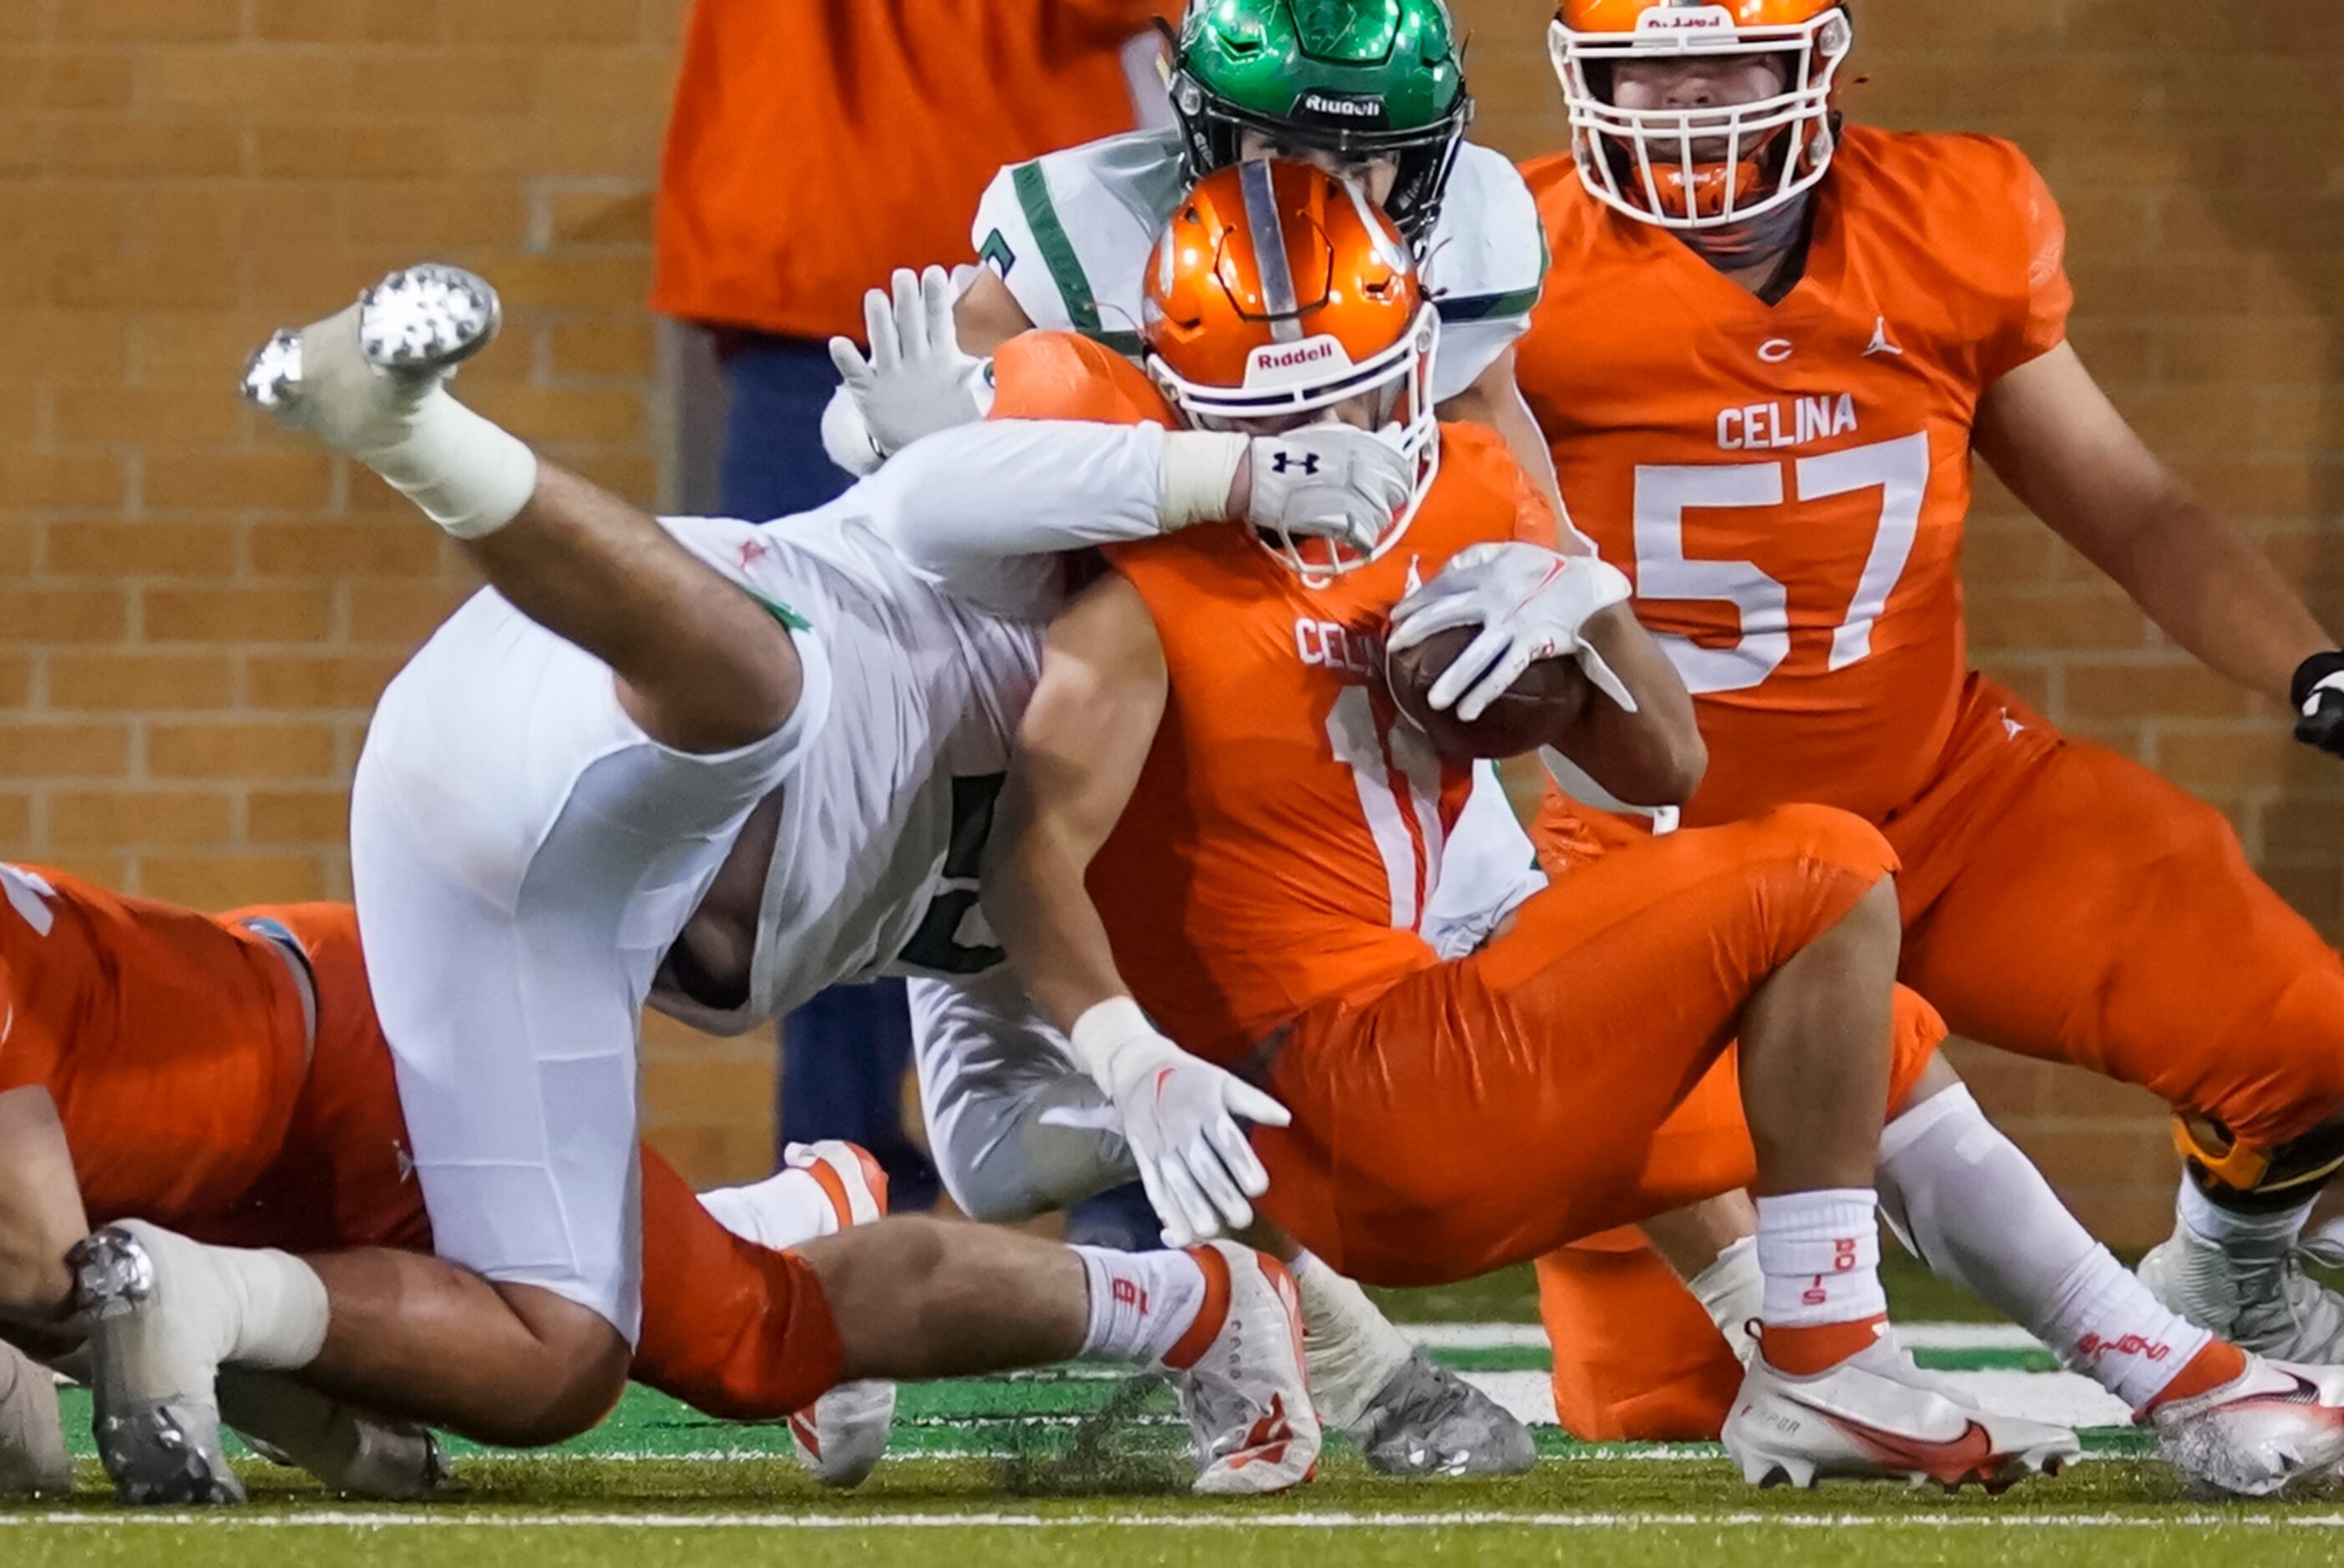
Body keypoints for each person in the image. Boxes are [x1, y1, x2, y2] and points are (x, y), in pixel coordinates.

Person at [976, 158, 2344, 1498]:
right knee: (1821, 867)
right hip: (1322, 1089)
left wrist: (1578, 610)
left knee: (1864, 1043)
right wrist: (1123, 1050)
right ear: (1176, 409)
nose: (1332, 443)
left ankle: (2178, 1372)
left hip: (1434, 1034)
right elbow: (1024, 845)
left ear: (1415, 348)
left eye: (1355, 389)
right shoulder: (1129, 583)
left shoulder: (1455, 478)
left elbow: (1663, 761)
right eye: (1280, 419)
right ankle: (1822, 1350)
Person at [51, 260, 1411, 1504]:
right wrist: (1240, 476)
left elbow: (990, 1148)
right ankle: (415, 433)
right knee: (768, 692)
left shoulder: (1094, 881)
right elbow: (961, 492)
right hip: (582, 684)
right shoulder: (1014, 551)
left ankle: (221, 1299)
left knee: (558, 1355)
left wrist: (1161, 1113)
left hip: (522, 877)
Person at [1511, 0, 2344, 1439]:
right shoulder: (1500, 263)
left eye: (1721, 60)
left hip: (1944, 795)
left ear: (1816, 65)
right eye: (1645, 61)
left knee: (2312, 1043)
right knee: (1658, 1400)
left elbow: (2132, 504)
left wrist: (2312, 669)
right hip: (1662, 858)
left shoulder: (1949, 218)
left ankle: (2232, 1274)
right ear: (1585, 72)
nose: (1682, 98)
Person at [655, 0, 1181, 1211]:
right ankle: (856, 1188)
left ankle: (1121, 1177)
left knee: (1056, 742)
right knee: (829, 769)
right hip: (898, 302)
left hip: (994, 306)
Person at [0, 869, 909, 1496]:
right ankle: (752, 1218)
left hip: (357, 1074)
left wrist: (296, 1408)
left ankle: (808, 1218)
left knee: (735, 1344)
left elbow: (45, 1275)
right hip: (241, 1142)